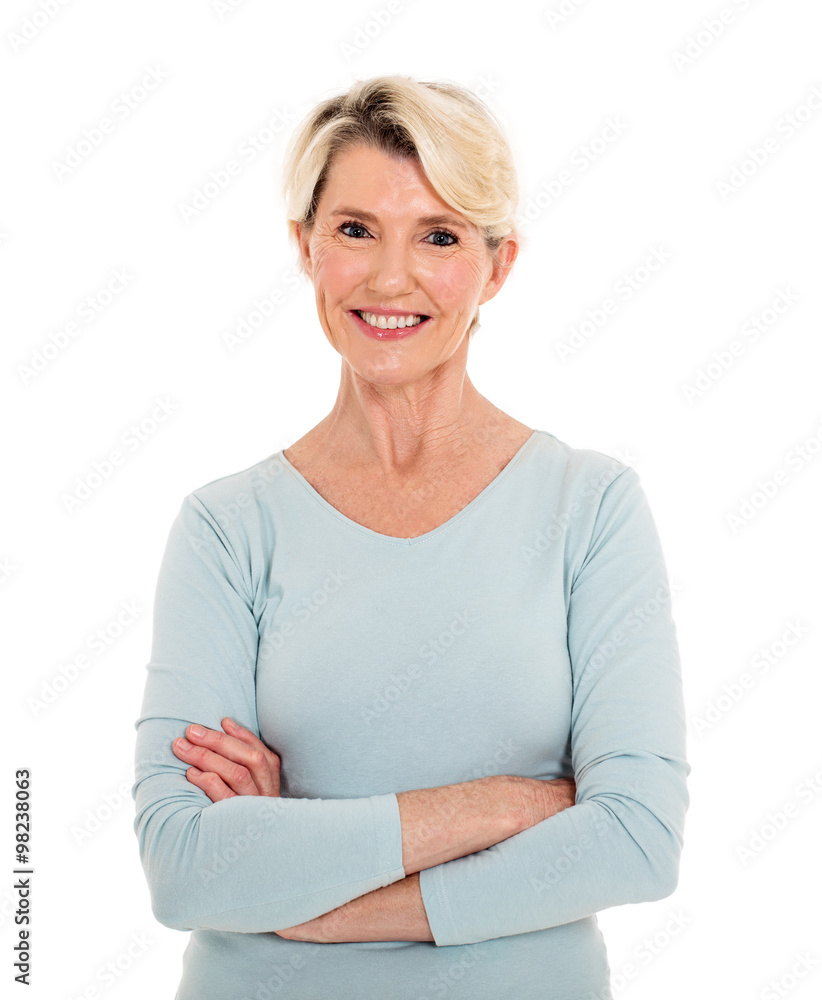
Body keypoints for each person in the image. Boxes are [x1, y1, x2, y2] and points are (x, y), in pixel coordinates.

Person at [132, 75, 690, 1000]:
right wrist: (509, 804)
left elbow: (637, 840)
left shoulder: (589, 508)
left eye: (439, 236)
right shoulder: (226, 530)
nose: (390, 279)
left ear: (498, 266)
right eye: (356, 230)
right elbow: (187, 867)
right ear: (306, 247)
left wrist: (319, 893)